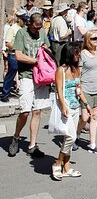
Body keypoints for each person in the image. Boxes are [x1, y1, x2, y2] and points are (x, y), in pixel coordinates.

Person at [8, 12, 51, 158]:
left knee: (37, 111)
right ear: (29, 24)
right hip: (26, 75)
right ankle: (16, 136)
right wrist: (35, 61)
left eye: (40, 27)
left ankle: (32, 145)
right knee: (25, 111)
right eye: (35, 28)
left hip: (41, 77)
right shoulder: (21, 33)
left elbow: (48, 49)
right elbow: (18, 55)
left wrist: (45, 53)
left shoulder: (42, 32)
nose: (37, 30)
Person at [52, 43, 86, 181]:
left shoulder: (76, 69)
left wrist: (86, 104)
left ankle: (66, 166)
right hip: (65, 106)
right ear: (69, 53)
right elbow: (59, 90)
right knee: (71, 136)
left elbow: (79, 88)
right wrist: (63, 106)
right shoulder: (61, 70)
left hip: (75, 106)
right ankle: (57, 162)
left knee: (69, 138)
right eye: (76, 53)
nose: (78, 56)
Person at [75, 31, 97, 154]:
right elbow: (79, 72)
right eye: (93, 38)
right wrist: (79, 87)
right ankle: (77, 134)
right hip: (86, 89)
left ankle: (92, 144)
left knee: (94, 116)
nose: (96, 40)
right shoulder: (83, 54)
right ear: (88, 40)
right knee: (85, 117)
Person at [1, 9, 27, 103]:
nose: (25, 22)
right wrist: (18, 47)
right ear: (19, 19)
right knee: (11, 74)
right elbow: (8, 43)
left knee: (24, 74)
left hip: (23, 55)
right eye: (23, 20)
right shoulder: (13, 28)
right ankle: (5, 94)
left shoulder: (24, 29)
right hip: (13, 55)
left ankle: (22, 92)